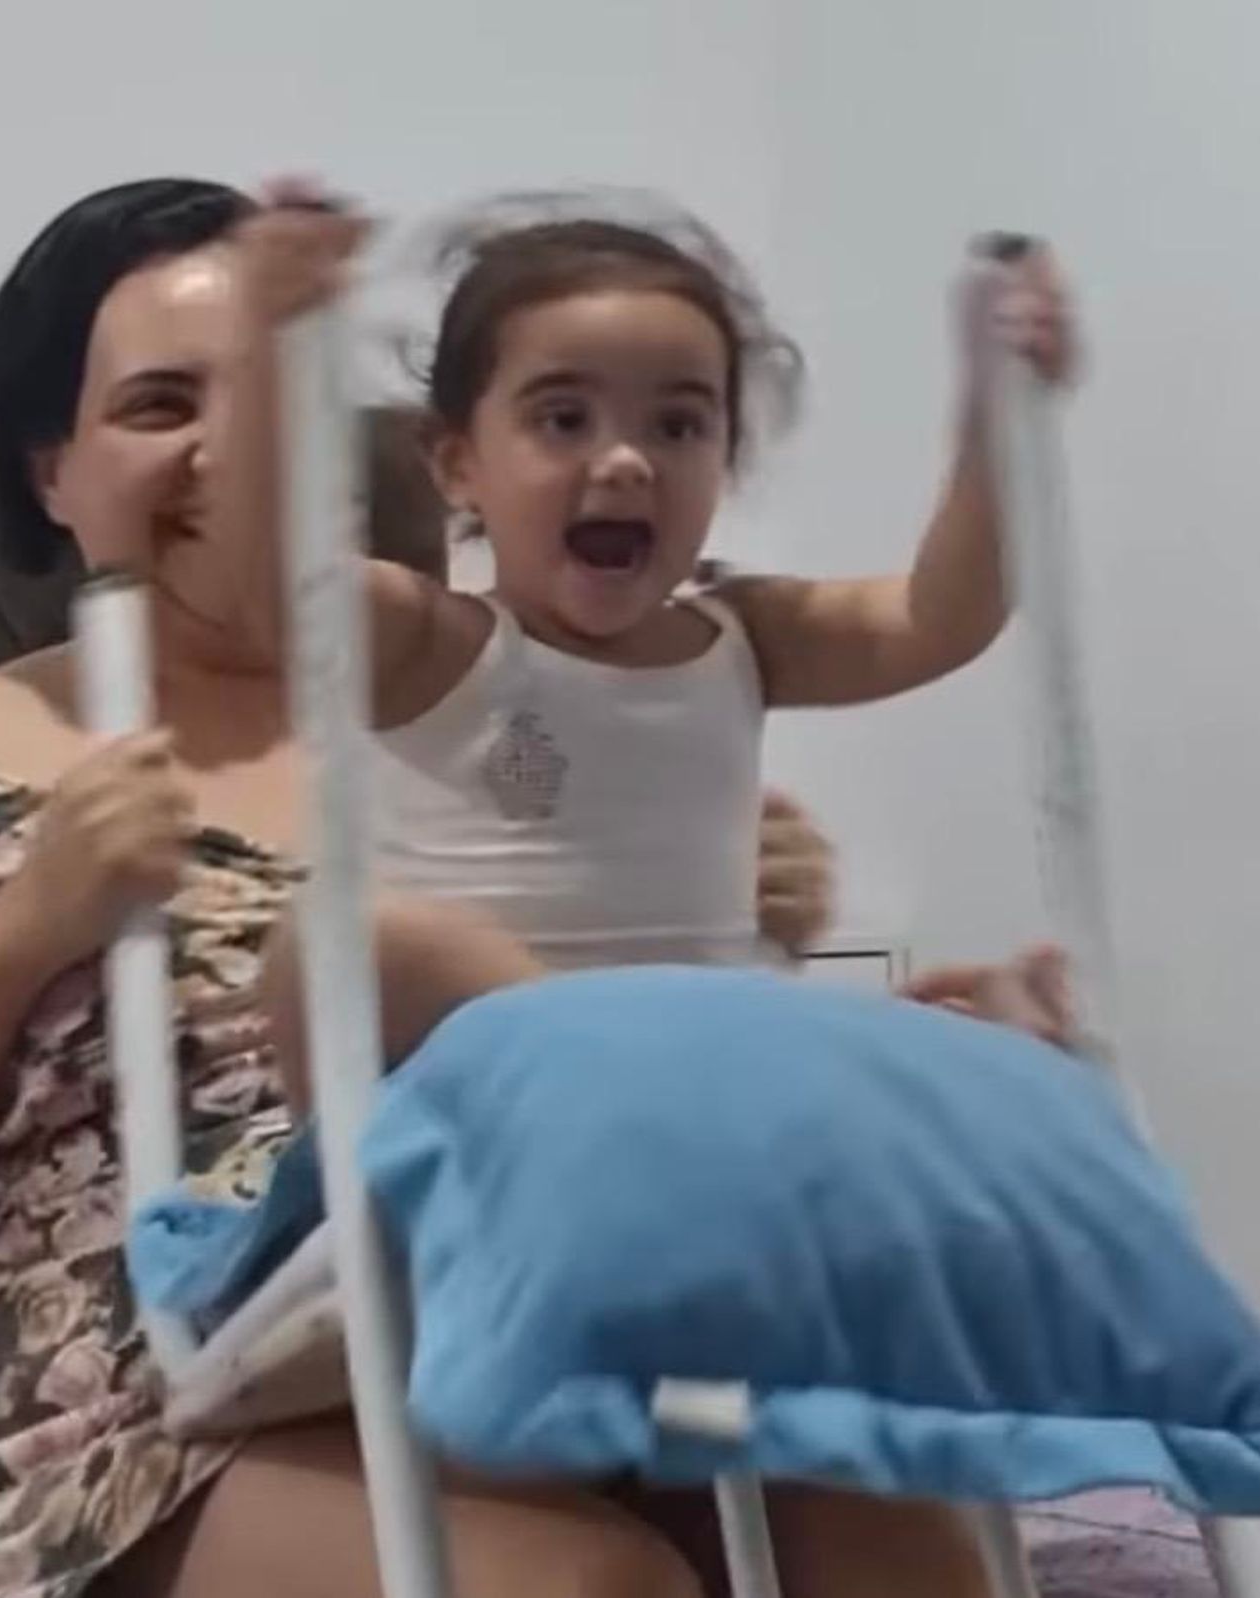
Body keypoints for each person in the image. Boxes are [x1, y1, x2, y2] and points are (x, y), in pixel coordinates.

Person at [0, 176, 1068, 1598]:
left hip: (566, 1310)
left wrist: (749, 922)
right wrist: (28, 923)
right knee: (593, 1590)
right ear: (50, 468)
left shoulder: (481, 692)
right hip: (171, 1403)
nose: (226, 454)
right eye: (163, 405)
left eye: (268, 394)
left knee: (916, 1526)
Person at [233, 197, 1078, 1120]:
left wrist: (992, 417)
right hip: (491, 1104)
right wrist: (269, 350)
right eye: (564, 420)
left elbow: (937, 618)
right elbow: (276, 590)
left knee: (971, 1036)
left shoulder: (746, 638)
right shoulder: (432, 645)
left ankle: (734, 1088)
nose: (628, 461)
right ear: (456, 464)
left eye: (677, 426)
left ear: (726, 456)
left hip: (705, 1071)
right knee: (349, 935)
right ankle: (623, 1076)